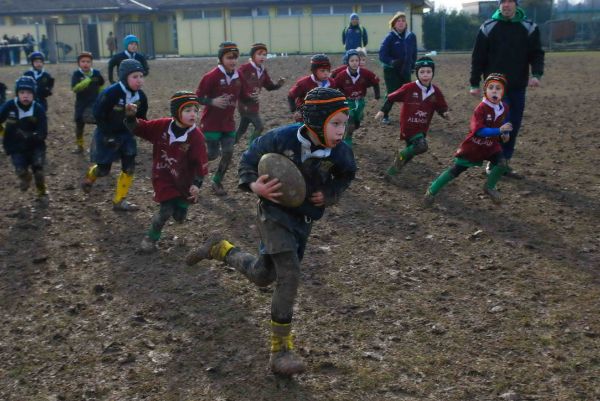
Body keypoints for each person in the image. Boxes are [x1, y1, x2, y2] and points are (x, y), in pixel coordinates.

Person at [186, 87, 357, 377]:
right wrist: (255, 186)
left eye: (344, 123)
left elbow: (347, 174)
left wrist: (329, 193)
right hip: (273, 213)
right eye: (336, 123)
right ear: (316, 122)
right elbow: (248, 160)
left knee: (263, 276)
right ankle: (281, 351)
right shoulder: (281, 137)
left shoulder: (340, 152)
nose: (343, 130)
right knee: (289, 274)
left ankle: (220, 248)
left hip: (302, 221)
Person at [124, 91, 208, 252]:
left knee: (179, 216)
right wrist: (130, 117)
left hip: (185, 181)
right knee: (165, 211)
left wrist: (197, 185)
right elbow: (139, 128)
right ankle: (150, 239)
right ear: (176, 112)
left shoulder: (196, 137)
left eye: (195, 110)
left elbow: (201, 164)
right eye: (187, 110)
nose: (193, 114)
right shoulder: (162, 126)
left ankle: (182, 207)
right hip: (163, 176)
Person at [470, 0, 544, 179]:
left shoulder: (529, 27)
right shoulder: (488, 27)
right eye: (503, 2)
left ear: (516, 5)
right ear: (499, 5)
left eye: (510, 2)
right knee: (501, 124)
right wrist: (474, 83)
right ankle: (493, 162)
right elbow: (478, 56)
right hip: (495, 88)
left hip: (518, 86)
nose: (506, 5)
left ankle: (505, 163)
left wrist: (536, 74)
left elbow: (536, 53)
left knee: (514, 125)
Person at [424, 73, 512, 206]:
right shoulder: (481, 108)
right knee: (456, 170)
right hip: (474, 146)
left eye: (498, 88)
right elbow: (479, 131)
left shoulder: (504, 107)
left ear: (504, 92)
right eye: (491, 87)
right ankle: (431, 191)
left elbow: (497, 125)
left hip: (491, 145)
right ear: (485, 91)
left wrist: (503, 135)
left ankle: (489, 187)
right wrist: (499, 131)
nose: (494, 91)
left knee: (502, 164)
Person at [81, 59, 148, 211]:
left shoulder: (141, 97)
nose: (139, 80)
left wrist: (148, 133)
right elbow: (98, 114)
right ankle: (90, 177)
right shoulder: (111, 92)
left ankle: (119, 200)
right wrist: (107, 134)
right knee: (104, 170)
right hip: (107, 133)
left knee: (129, 167)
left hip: (126, 135)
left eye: (141, 76)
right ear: (124, 78)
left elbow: (143, 118)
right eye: (135, 77)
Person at [374, 57, 449, 180]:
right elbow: (391, 97)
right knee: (421, 146)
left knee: (410, 154)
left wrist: (444, 113)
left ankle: (391, 172)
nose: (425, 75)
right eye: (422, 72)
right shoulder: (409, 88)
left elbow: (440, 106)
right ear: (417, 73)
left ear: (433, 73)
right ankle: (401, 155)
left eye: (428, 72)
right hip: (409, 126)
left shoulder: (435, 91)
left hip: (422, 128)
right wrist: (383, 110)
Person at [195, 41, 253, 196]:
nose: (233, 61)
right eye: (229, 57)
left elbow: (244, 95)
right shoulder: (211, 76)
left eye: (235, 57)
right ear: (221, 59)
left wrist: (251, 98)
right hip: (211, 124)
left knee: (228, 151)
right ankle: (192, 172)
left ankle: (217, 181)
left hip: (228, 124)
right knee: (212, 154)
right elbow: (198, 97)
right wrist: (212, 101)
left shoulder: (238, 75)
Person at [0, 76, 49, 204]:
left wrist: (33, 136)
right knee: (20, 170)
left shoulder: (38, 109)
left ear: (34, 94)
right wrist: (4, 133)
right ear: (17, 93)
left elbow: (43, 130)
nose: (25, 96)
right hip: (15, 146)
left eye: (28, 93)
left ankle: (42, 192)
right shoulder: (10, 106)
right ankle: (25, 177)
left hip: (35, 146)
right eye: (22, 93)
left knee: (38, 170)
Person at [235, 43, 285, 148]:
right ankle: (251, 147)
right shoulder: (245, 68)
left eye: (264, 54)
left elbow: (268, 86)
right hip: (245, 104)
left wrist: (278, 85)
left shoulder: (262, 70)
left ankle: (231, 144)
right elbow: (236, 82)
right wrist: (247, 94)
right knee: (260, 126)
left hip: (254, 104)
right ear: (253, 55)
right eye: (259, 54)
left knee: (242, 129)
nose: (262, 57)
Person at [333, 49, 380, 147]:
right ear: (347, 62)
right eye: (352, 61)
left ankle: (352, 125)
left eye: (356, 60)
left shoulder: (365, 73)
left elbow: (376, 82)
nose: (355, 63)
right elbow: (333, 86)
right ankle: (348, 140)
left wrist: (377, 97)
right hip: (347, 101)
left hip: (360, 101)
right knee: (350, 119)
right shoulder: (342, 75)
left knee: (356, 123)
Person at [378, 12, 417, 125]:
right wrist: (391, 62)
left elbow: (413, 53)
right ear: (394, 24)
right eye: (398, 21)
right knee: (392, 93)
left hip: (405, 69)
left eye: (403, 21)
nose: (401, 23)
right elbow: (382, 55)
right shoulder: (389, 37)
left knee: (408, 93)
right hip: (391, 70)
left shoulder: (411, 36)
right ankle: (385, 115)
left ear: (406, 23)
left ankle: (408, 115)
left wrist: (413, 66)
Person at [71, 51, 105, 154]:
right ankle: (79, 145)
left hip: (94, 103)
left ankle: (101, 143)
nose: (85, 64)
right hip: (81, 104)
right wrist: (87, 81)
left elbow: (101, 85)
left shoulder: (96, 73)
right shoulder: (76, 74)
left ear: (91, 63)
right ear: (79, 63)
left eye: (88, 61)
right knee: (79, 124)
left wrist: (101, 97)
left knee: (99, 122)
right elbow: (75, 88)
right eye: (83, 61)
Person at [287, 54, 335, 122]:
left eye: (328, 70)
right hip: (305, 117)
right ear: (314, 71)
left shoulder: (331, 83)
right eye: (322, 71)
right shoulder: (303, 83)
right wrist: (295, 111)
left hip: (323, 116)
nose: (326, 73)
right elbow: (291, 96)